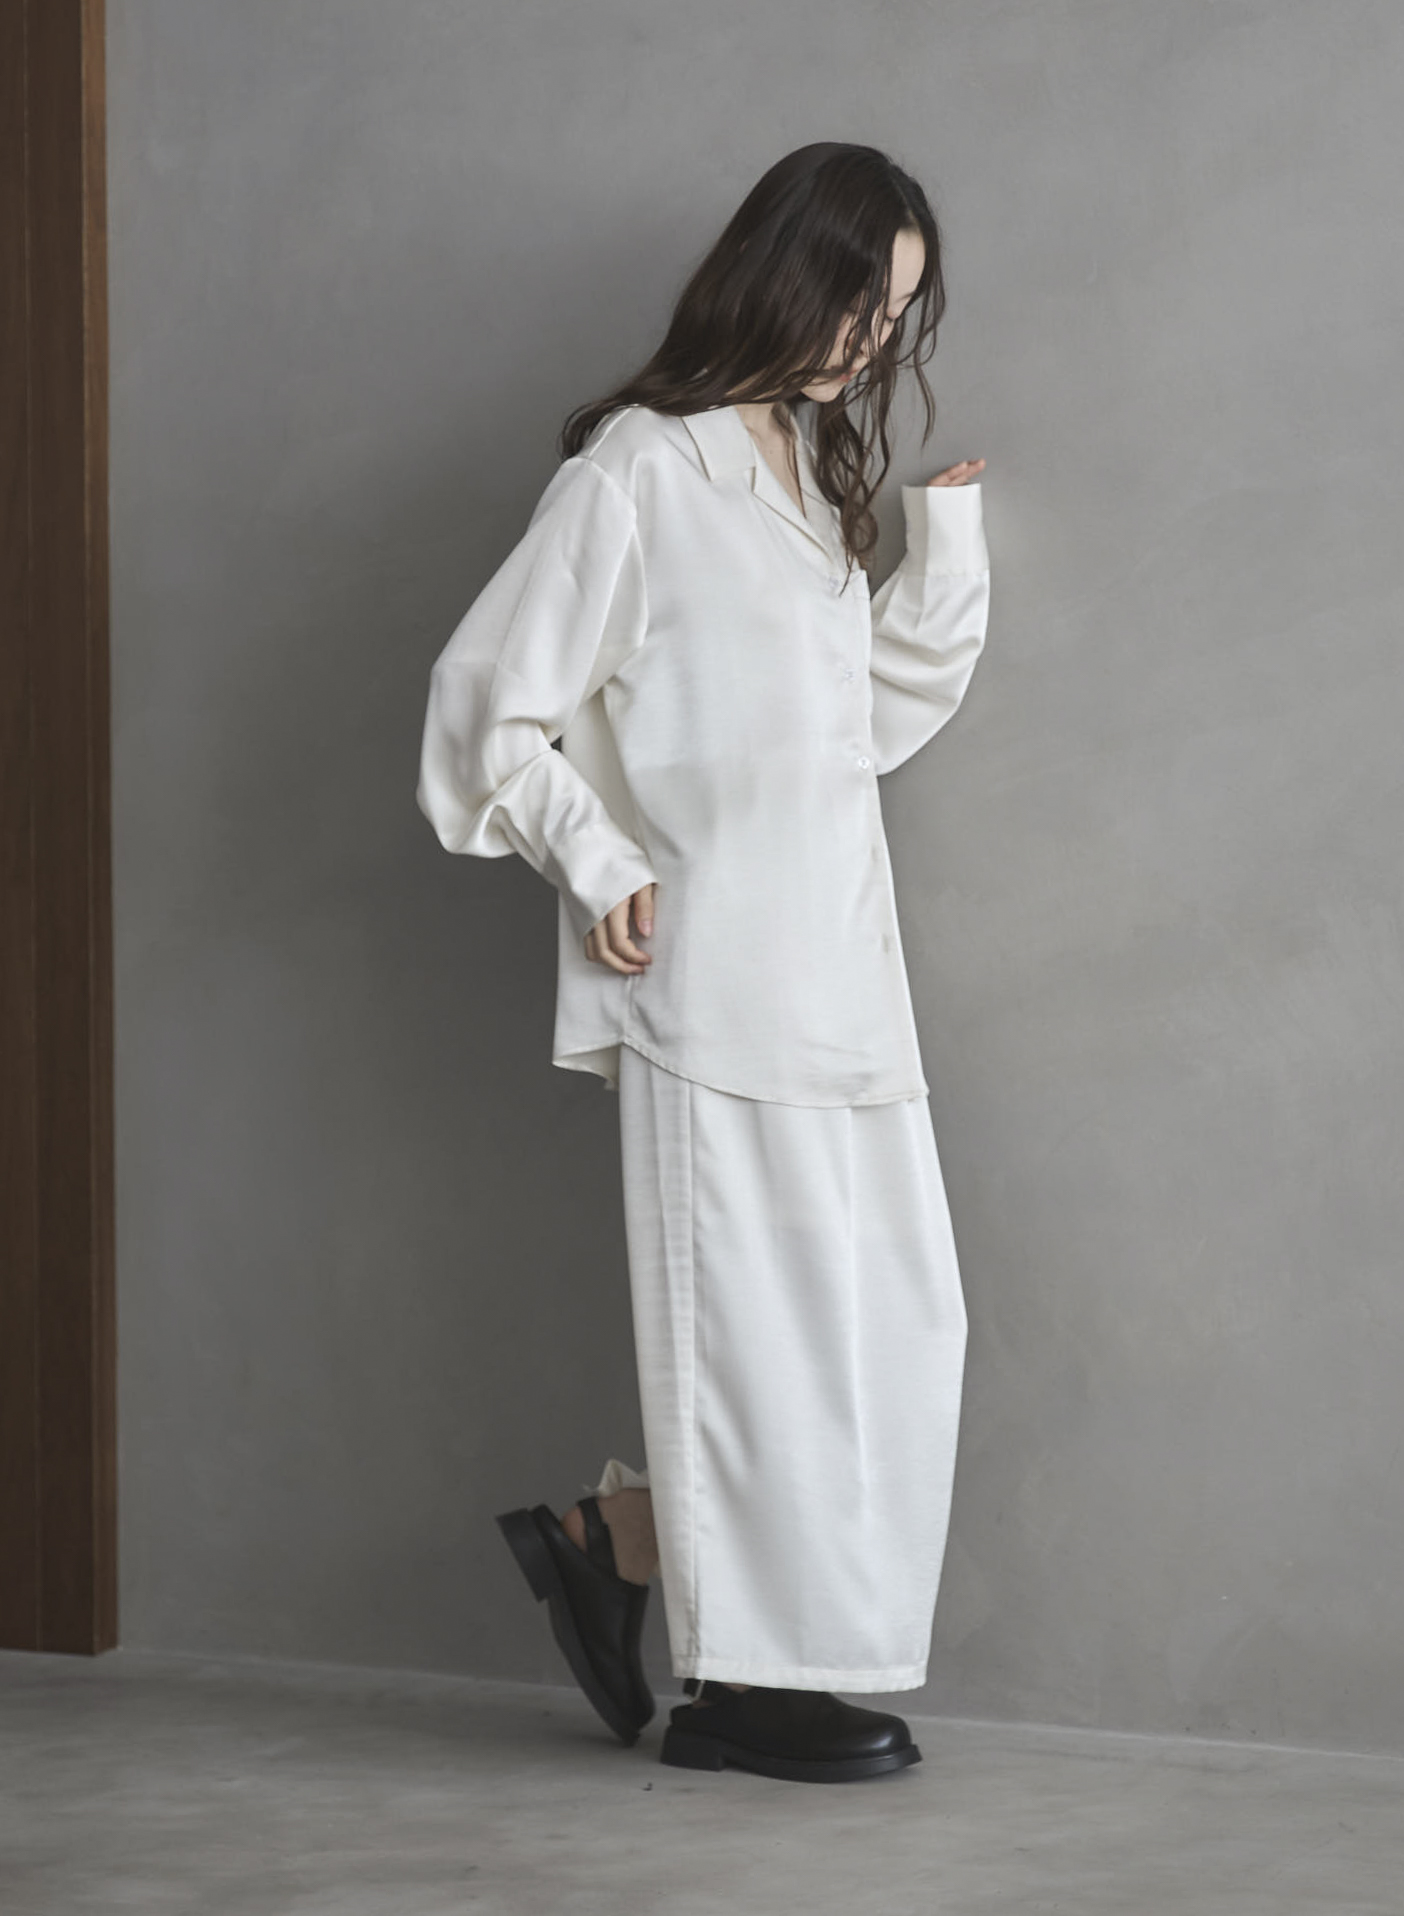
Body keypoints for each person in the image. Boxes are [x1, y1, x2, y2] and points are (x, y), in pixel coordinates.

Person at [416, 140, 989, 1784]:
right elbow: (482, 711)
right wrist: (595, 859)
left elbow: (853, 728)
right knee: (755, 1344)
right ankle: (744, 1687)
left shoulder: (802, 472)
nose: (870, 342)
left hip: (846, 975)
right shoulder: (640, 473)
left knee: (892, 1335)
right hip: (712, 978)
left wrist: (942, 560)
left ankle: (614, 1545)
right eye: (857, 300)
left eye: (896, 315)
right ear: (782, 272)